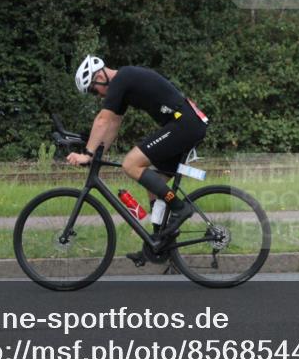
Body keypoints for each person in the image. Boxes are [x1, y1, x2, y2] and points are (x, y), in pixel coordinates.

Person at [68, 55, 208, 265]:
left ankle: (180, 208)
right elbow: (113, 124)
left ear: (99, 76)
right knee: (153, 184)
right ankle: (158, 244)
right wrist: (98, 154)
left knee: (131, 164)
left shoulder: (122, 78)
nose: (96, 95)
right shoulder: (123, 85)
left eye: (92, 89)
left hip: (185, 123)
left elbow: (102, 120)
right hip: (186, 124)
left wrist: (87, 154)